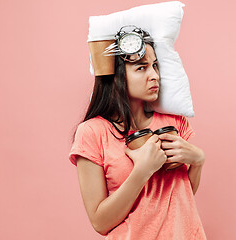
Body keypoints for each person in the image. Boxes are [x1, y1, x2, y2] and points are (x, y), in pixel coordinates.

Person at [69, 26, 207, 239]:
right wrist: (143, 170)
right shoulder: (92, 132)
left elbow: (182, 195)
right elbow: (100, 222)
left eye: (155, 66)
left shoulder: (174, 121)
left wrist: (198, 160)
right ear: (116, 77)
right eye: (141, 68)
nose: (154, 76)